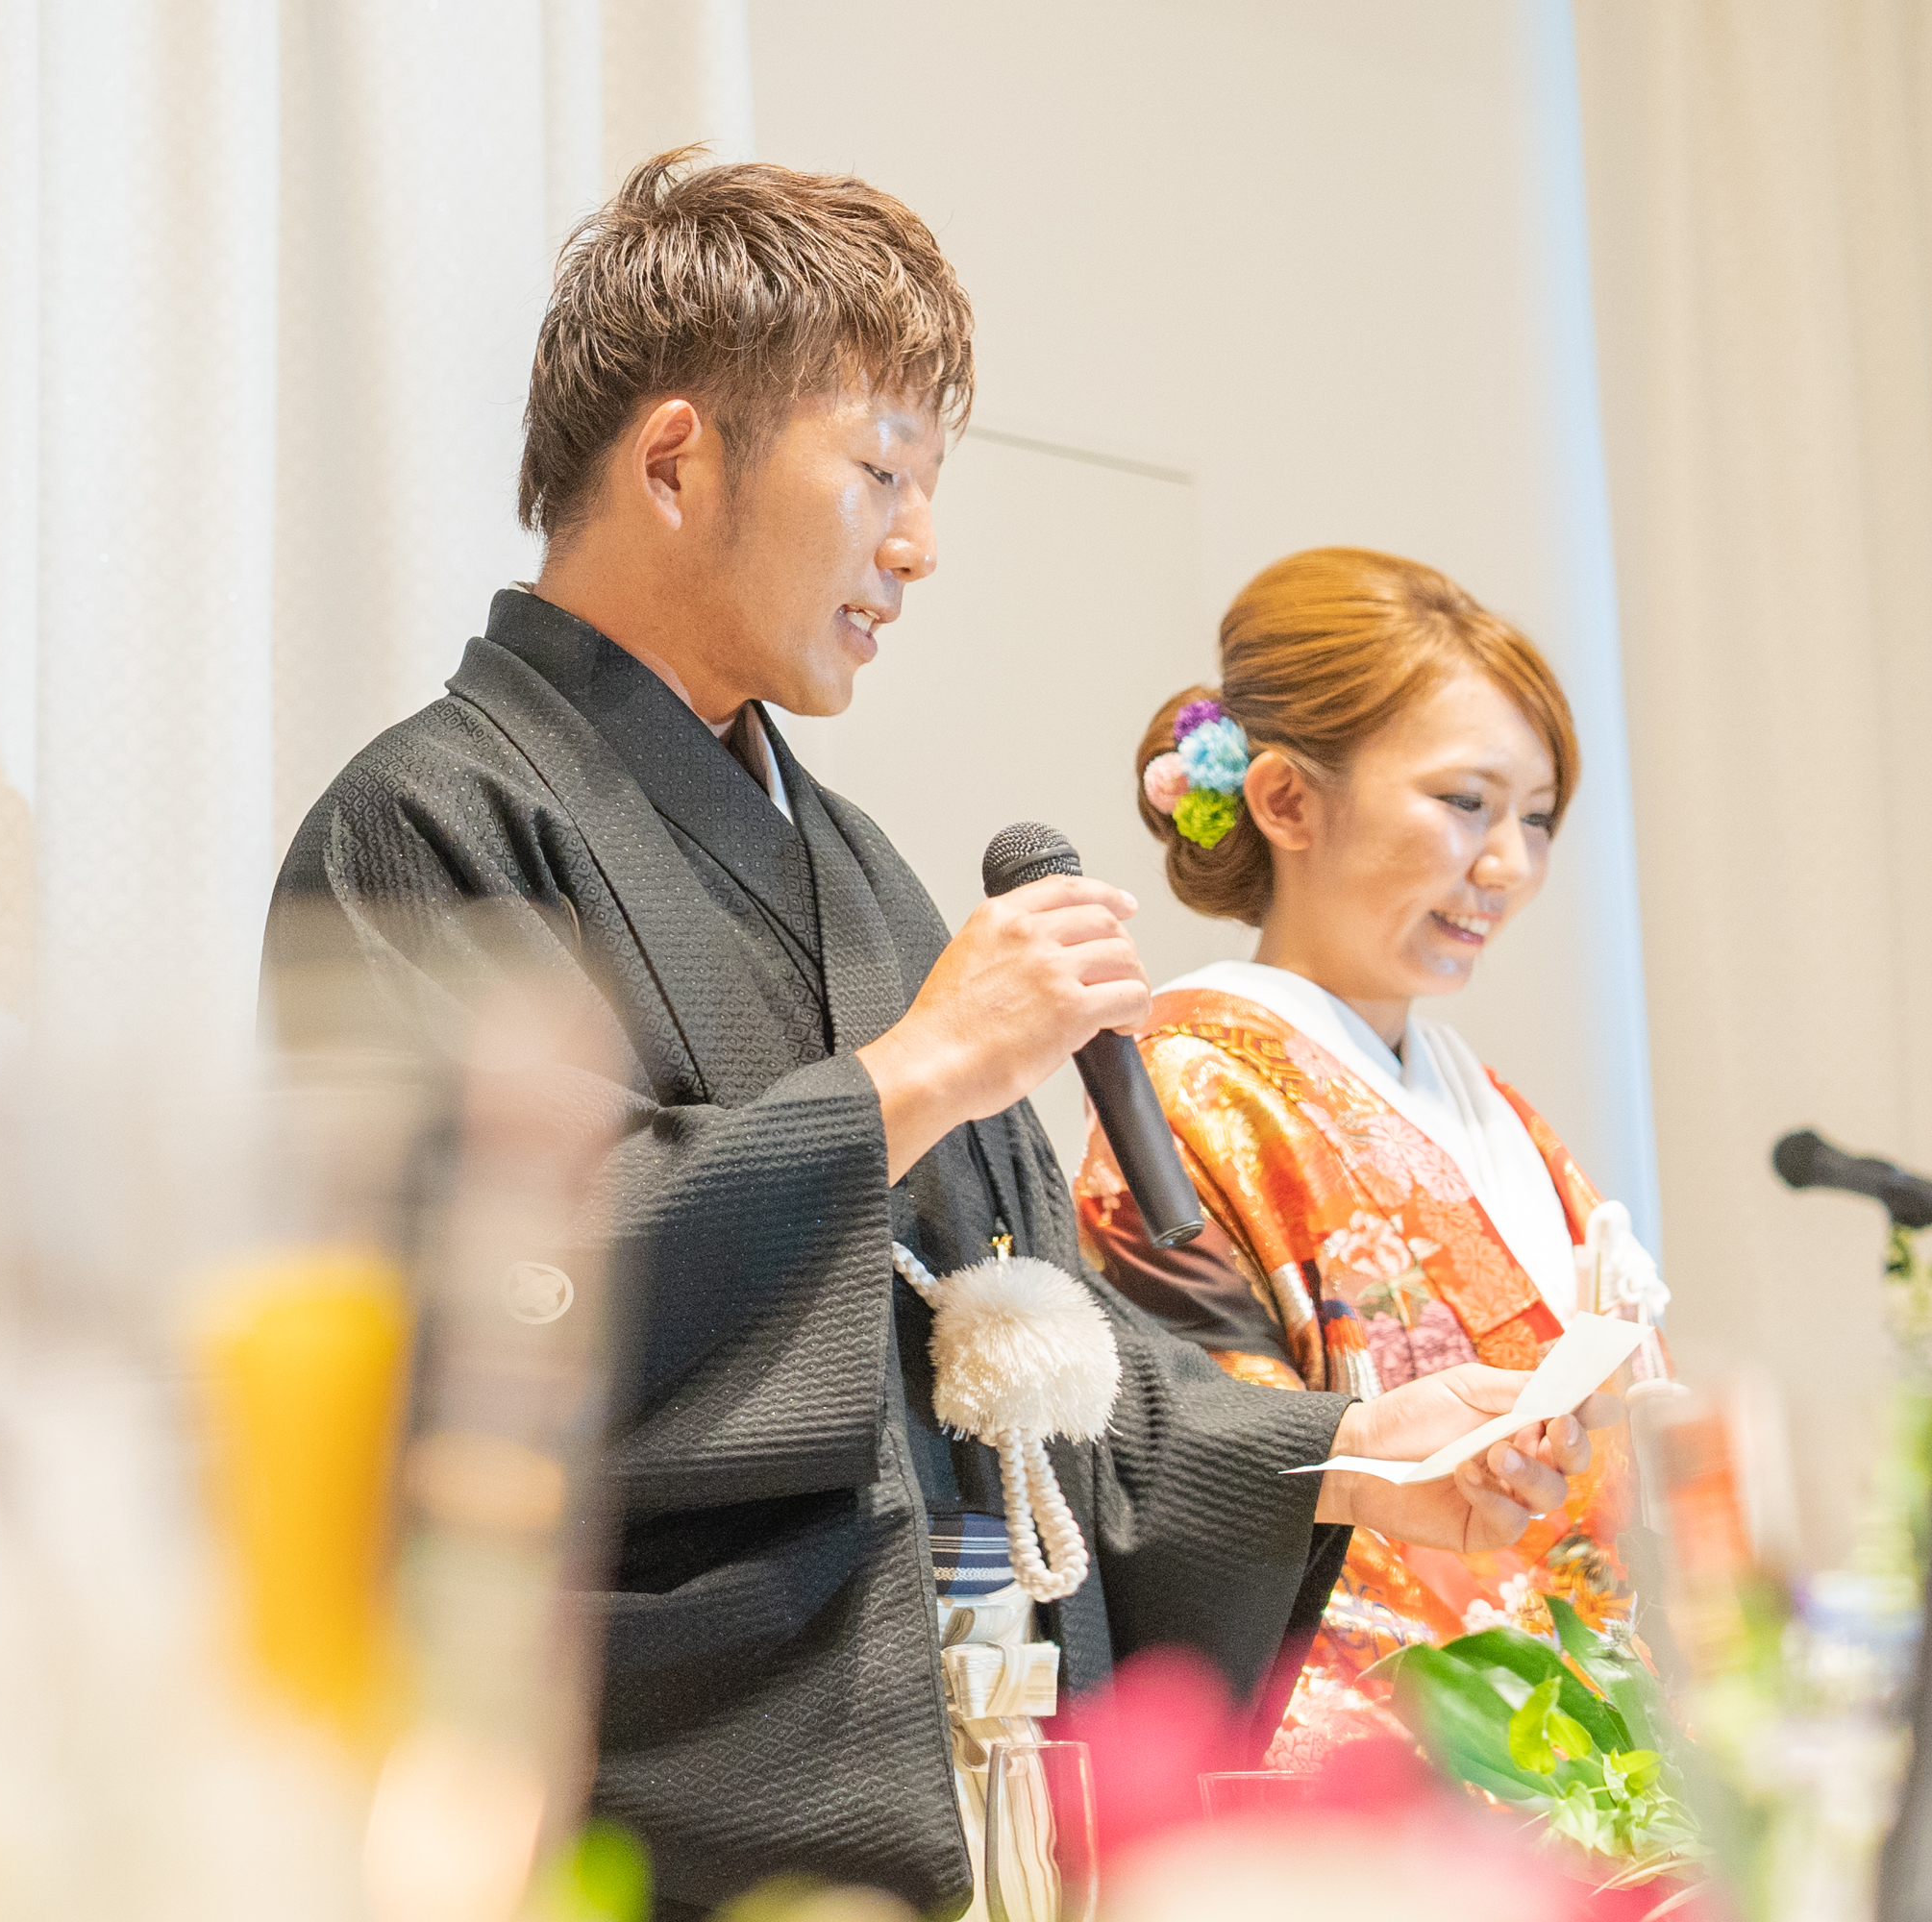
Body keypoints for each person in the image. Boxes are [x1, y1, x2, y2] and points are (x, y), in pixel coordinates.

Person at [264, 158, 1615, 1916]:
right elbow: (483, 1323)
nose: (917, 544)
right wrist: (917, 1078)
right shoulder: (430, 823)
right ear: (675, 461)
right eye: (881, 473)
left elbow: (1026, 1348)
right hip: (663, 1815)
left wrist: (1358, 1454)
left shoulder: (859, 872)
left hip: (986, 1783)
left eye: (929, 487)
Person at [1077, 547, 1673, 1772]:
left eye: (1537, 817)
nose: (1508, 865)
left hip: (1586, 1747)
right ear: (1288, 801)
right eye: (1466, 801)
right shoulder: (1187, 1085)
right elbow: (1201, 1458)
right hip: (1384, 1766)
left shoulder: (1492, 1107)